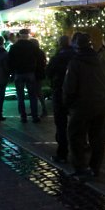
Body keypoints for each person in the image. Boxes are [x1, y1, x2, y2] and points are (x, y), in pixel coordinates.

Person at [64, 33, 105, 180]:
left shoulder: (75, 63)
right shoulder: (102, 61)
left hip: (81, 106)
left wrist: (68, 105)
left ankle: (80, 167)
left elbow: (69, 88)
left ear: (76, 46)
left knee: (76, 137)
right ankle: (95, 168)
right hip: (100, 104)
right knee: (98, 139)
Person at [46, 35, 75, 163]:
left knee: (61, 124)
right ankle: (78, 151)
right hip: (75, 93)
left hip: (60, 91)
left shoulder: (57, 58)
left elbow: (48, 73)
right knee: (76, 123)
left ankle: (62, 152)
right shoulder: (76, 57)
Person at [8, 29, 40, 123]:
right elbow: (37, 58)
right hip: (30, 72)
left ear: (20, 35)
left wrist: (12, 71)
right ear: (28, 35)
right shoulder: (33, 46)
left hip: (19, 73)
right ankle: (34, 116)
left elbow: (10, 60)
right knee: (32, 96)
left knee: (20, 96)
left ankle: (23, 116)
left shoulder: (14, 47)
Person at [31, 38, 48, 117]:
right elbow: (44, 63)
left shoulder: (32, 52)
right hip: (40, 74)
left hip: (34, 73)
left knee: (36, 92)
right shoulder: (41, 52)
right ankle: (41, 109)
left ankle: (39, 109)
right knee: (38, 92)